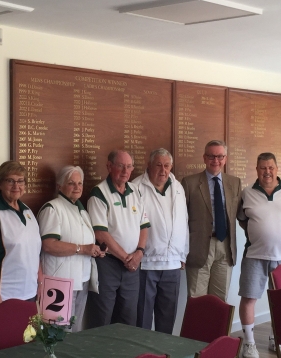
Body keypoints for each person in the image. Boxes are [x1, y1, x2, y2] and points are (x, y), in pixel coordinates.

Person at [236, 153, 281, 358]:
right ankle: (249, 343)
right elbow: (243, 221)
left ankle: (278, 338)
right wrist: (261, 234)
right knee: (249, 297)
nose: (267, 172)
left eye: (271, 167)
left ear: (276, 168)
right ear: (257, 169)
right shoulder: (247, 193)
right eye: (263, 168)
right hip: (255, 254)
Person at [86, 150, 150, 328]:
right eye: (120, 166)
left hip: (132, 266)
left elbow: (144, 226)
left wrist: (139, 253)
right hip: (108, 264)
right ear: (109, 166)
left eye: (129, 167)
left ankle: (126, 357)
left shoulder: (135, 190)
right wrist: (125, 258)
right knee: (103, 316)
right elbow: (101, 233)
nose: (125, 171)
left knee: (129, 318)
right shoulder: (99, 193)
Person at [38, 165, 105, 331]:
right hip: (59, 282)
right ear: (60, 186)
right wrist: (82, 249)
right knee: (56, 334)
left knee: (75, 334)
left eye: (80, 183)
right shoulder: (52, 208)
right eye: (71, 183)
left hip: (81, 279)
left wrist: (94, 249)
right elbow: (48, 245)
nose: (77, 187)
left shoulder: (81, 210)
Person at [133, 148, 189, 334]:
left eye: (166, 166)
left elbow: (184, 221)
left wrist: (183, 253)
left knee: (167, 319)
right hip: (147, 264)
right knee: (142, 319)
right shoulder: (136, 187)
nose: (163, 170)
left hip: (173, 264)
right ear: (148, 166)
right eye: (158, 165)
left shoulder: (178, 187)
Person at [180, 140, 242, 302]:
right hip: (199, 248)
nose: (216, 160)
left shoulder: (234, 183)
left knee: (220, 301)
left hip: (225, 247)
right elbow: (181, 219)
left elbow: (241, 214)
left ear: (225, 158)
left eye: (220, 156)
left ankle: (217, 329)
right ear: (204, 158)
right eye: (211, 156)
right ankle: (197, 329)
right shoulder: (190, 183)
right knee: (197, 300)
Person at [0, 161, 42, 310]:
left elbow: (34, 252)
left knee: (29, 334)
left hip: (30, 295)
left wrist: (40, 284)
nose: (16, 186)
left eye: (20, 181)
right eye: (10, 181)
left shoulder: (28, 212)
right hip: (5, 297)